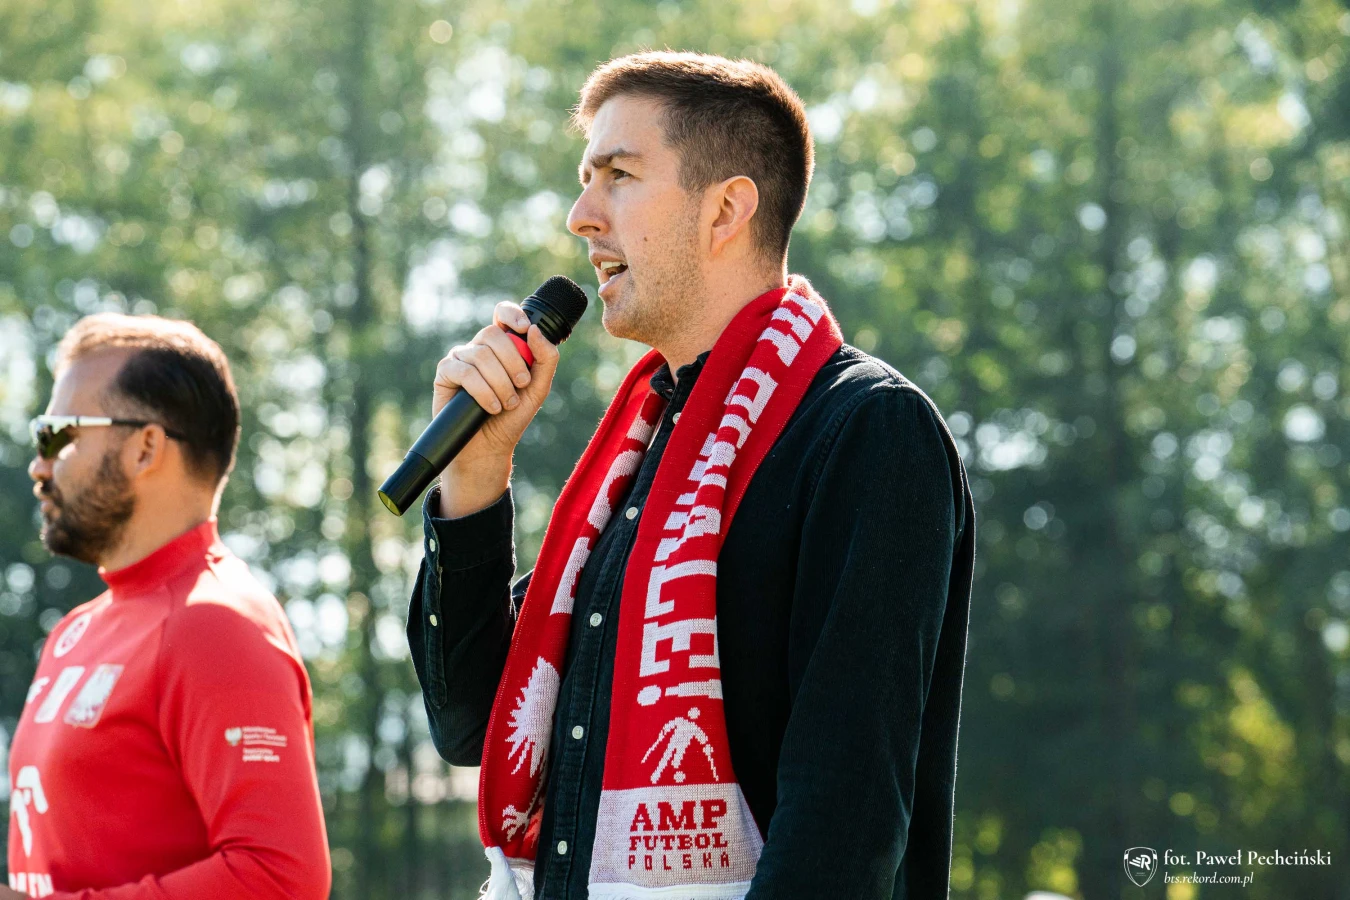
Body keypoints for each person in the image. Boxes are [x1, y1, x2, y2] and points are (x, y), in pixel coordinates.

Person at [406, 51, 975, 899]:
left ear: (726, 210)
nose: (580, 217)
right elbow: (470, 729)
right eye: (585, 180)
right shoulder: (636, 460)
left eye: (619, 176)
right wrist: (476, 476)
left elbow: (843, 821)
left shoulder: (866, 429)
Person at [4, 314, 331, 899]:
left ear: (146, 448)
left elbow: (282, 879)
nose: (39, 463)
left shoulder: (215, 624)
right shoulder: (75, 630)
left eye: (57, 434)